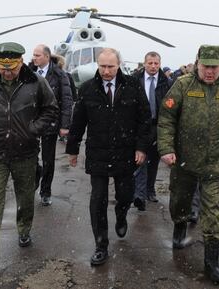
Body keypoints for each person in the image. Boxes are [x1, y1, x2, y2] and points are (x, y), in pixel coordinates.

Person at [0, 42, 58, 270]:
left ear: (20, 62)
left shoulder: (36, 82)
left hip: (25, 152)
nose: (7, 72)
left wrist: (34, 129)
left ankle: (24, 229)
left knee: (25, 197)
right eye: (3, 68)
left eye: (12, 68)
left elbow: (51, 109)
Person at [157, 45, 219, 283]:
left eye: (214, 67)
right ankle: (179, 228)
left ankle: (211, 264)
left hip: (216, 162)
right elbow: (166, 119)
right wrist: (166, 148)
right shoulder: (183, 85)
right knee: (180, 201)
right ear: (197, 63)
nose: (209, 71)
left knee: (212, 211)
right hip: (184, 160)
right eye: (205, 66)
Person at [66, 48, 151, 266]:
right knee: (98, 199)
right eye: (102, 66)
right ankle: (101, 245)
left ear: (119, 64)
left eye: (110, 66)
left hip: (126, 152)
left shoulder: (132, 86)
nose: (105, 71)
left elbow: (144, 119)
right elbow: (78, 122)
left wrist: (141, 148)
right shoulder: (88, 89)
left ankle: (121, 215)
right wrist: (73, 149)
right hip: (98, 153)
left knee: (125, 195)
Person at [29, 44, 73, 206]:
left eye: (38, 55)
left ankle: (45, 191)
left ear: (47, 57)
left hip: (50, 122)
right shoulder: (28, 73)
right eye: (33, 55)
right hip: (31, 123)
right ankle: (36, 174)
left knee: (48, 159)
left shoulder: (60, 75)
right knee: (31, 156)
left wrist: (65, 124)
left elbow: (67, 100)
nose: (34, 58)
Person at [132, 52, 171, 211]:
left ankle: (150, 190)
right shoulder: (135, 80)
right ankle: (139, 194)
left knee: (153, 160)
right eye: (150, 63)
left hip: (158, 125)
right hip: (140, 125)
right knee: (140, 159)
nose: (153, 66)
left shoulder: (166, 82)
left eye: (156, 63)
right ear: (144, 64)